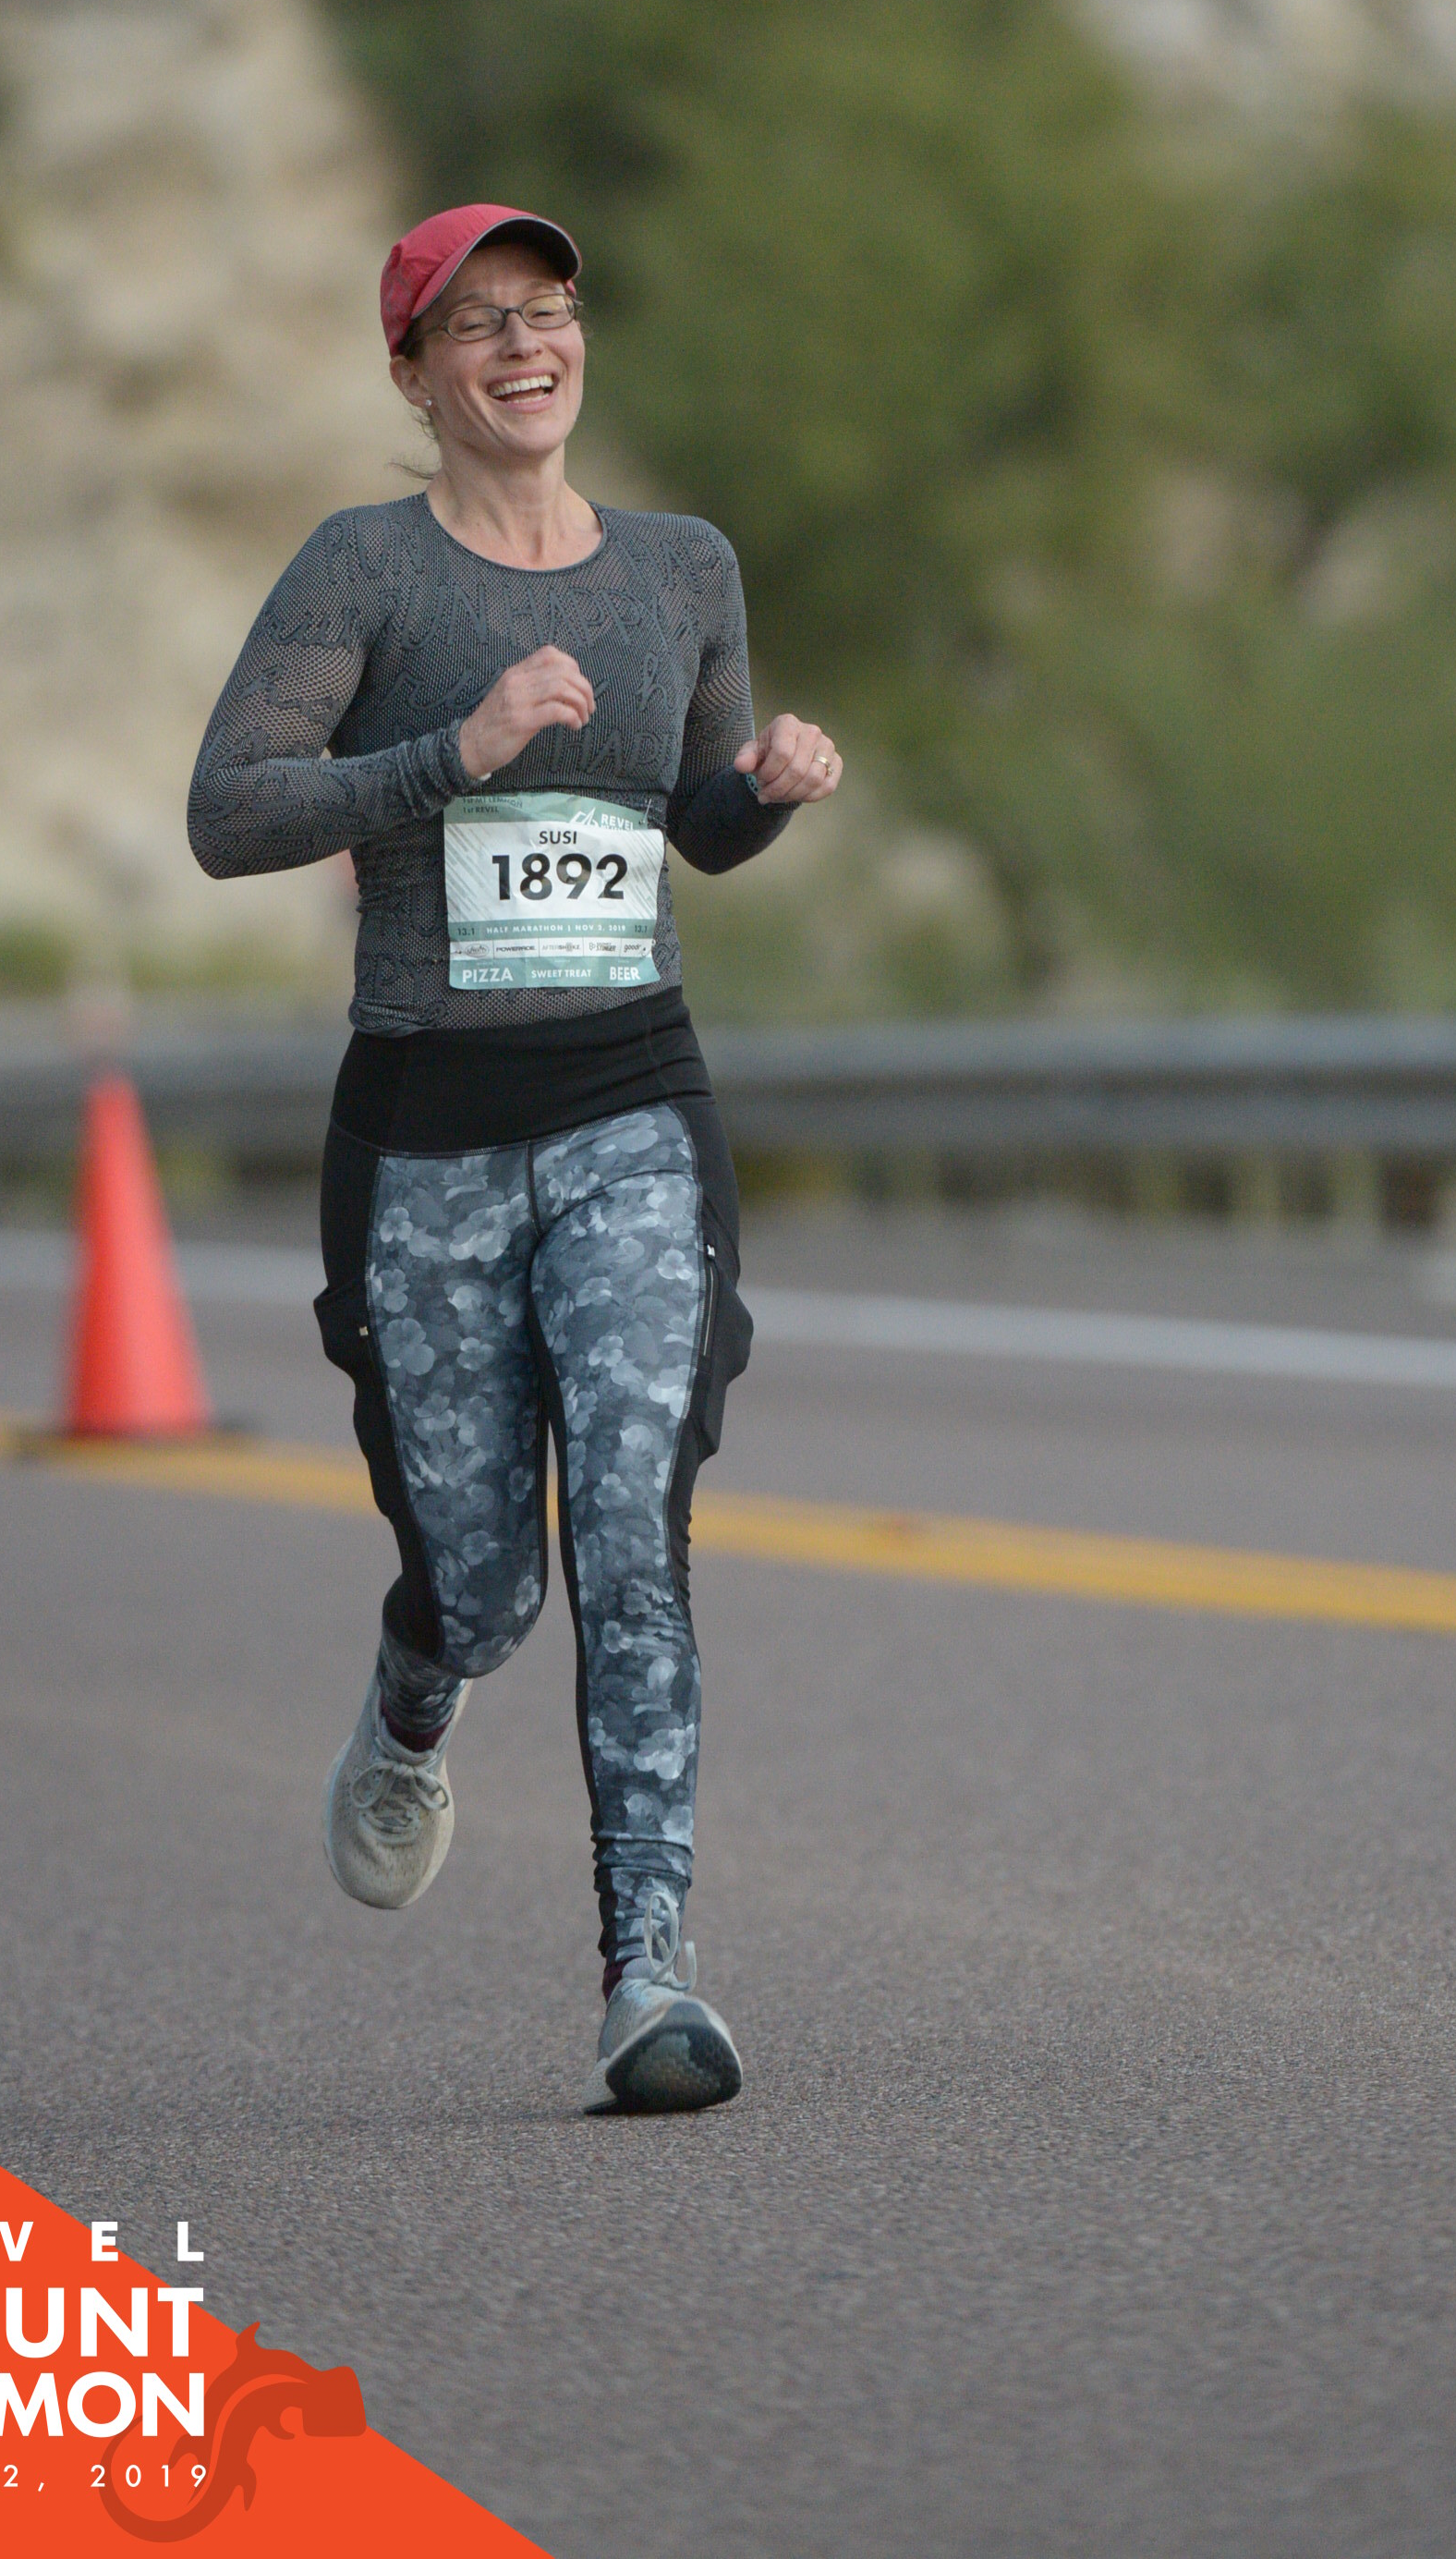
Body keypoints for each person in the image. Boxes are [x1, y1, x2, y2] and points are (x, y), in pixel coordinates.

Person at [187, 201, 843, 2111]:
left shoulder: (681, 568)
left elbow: (685, 823)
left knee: (631, 1523)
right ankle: (415, 1690)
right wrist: (452, 754)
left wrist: (761, 794)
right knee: (486, 1587)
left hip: (635, 1102)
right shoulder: (364, 569)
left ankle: (652, 1974)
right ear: (412, 371)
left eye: (546, 310)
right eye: (475, 324)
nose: (523, 347)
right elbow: (230, 813)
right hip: (429, 1134)